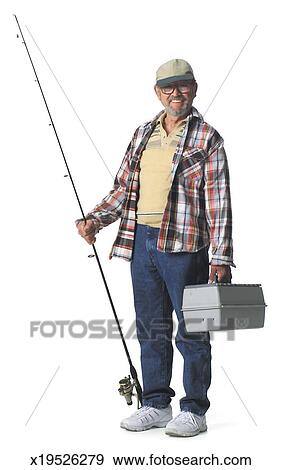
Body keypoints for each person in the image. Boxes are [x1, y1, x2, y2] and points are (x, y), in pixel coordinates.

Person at [76, 59, 235, 437]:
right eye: (168, 87)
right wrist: (95, 219)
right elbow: (122, 187)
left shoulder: (207, 138)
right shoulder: (143, 133)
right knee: (152, 327)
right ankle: (156, 403)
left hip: (185, 244)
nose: (176, 93)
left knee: (194, 329)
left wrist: (221, 255)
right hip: (141, 240)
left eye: (183, 86)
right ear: (157, 92)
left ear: (194, 88)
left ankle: (194, 410)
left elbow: (219, 200)